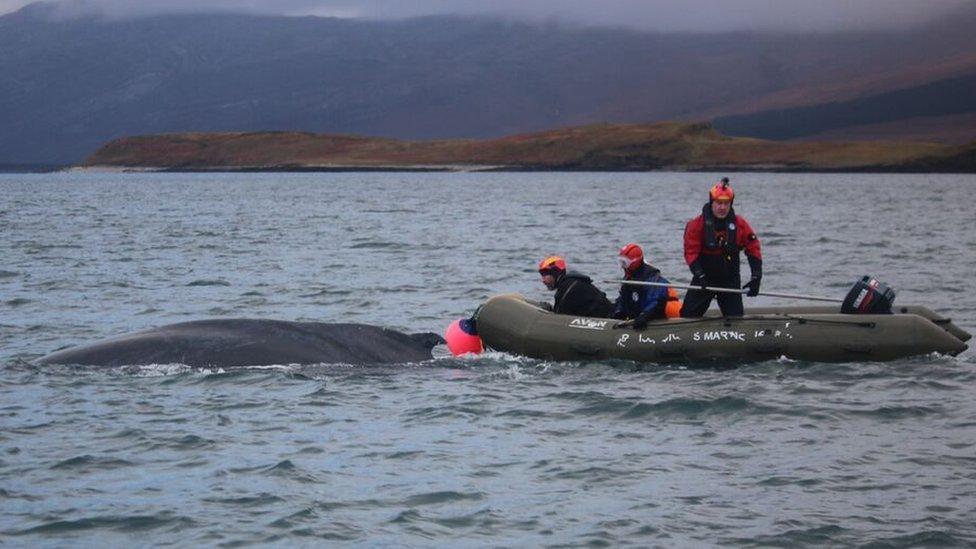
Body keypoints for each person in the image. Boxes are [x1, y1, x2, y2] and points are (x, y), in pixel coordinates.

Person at [680, 177, 762, 318]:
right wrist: (699, 275)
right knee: (687, 315)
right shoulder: (696, 225)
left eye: (726, 203)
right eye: (719, 203)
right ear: (712, 203)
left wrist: (756, 277)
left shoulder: (740, 225)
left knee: (735, 318)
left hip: (730, 279)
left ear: (731, 204)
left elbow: (753, 248)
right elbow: (690, 252)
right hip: (704, 279)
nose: (722, 208)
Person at [612, 243, 681, 329]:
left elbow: (655, 301)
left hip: (665, 315)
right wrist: (618, 312)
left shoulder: (653, 280)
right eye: (620, 262)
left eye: (624, 262)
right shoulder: (629, 279)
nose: (622, 266)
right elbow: (624, 298)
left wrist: (644, 316)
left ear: (635, 262)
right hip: (642, 313)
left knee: (658, 304)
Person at [538, 255, 614, 318]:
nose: (543, 280)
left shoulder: (567, 288)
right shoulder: (573, 282)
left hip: (607, 321)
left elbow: (559, 318)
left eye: (545, 275)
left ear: (555, 273)